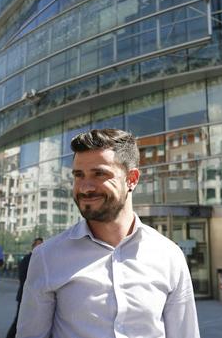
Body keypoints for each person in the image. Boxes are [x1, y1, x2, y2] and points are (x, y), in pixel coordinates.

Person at [17, 129, 200, 338]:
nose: (85, 188)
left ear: (132, 179)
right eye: (79, 175)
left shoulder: (169, 256)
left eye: (99, 174)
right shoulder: (47, 257)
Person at [6, 237, 43, 338]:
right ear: (33, 246)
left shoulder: (43, 260)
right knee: (18, 320)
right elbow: (22, 277)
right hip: (24, 295)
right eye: (38, 244)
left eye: (41, 245)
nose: (40, 247)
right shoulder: (27, 259)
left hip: (37, 297)